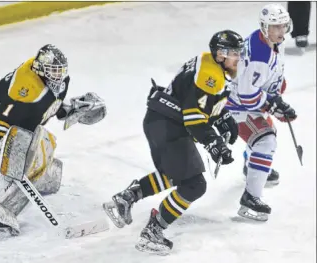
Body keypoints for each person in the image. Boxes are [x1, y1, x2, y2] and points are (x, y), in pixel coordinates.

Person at [103, 30, 242, 255]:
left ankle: (127, 197)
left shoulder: (208, 64)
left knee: (178, 172)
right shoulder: (210, 75)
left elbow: (195, 100)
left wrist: (221, 115)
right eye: (234, 53)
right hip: (168, 126)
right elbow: (194, 119)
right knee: (194, 184)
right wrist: (214, 142)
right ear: (220, 54)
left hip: (161, 121)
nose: (238, 59)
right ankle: (153, 232)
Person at [0, 44, 106, 235]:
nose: (58, 76)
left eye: (60, 71)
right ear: (40, 69)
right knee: (20, 158)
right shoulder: (26, 87)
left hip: (9, 123)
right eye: (53, 71)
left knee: (40, 143)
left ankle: (38, 178)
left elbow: (47, 108)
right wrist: (14, 158)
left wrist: (74, 110)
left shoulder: (51, 83)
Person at [225, 4, 297, 221]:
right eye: (275, 27)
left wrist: (276, 90)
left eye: (283, 25)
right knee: (265, 140)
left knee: (267, 131)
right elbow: (247, 96)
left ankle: (251, 166)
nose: (280, 31)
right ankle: (251, 199)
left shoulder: (270, 41)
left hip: (244, 101)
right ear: (265, 27)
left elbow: (270, 74)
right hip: (234, 106)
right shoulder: (259, 54)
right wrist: (273, 104)